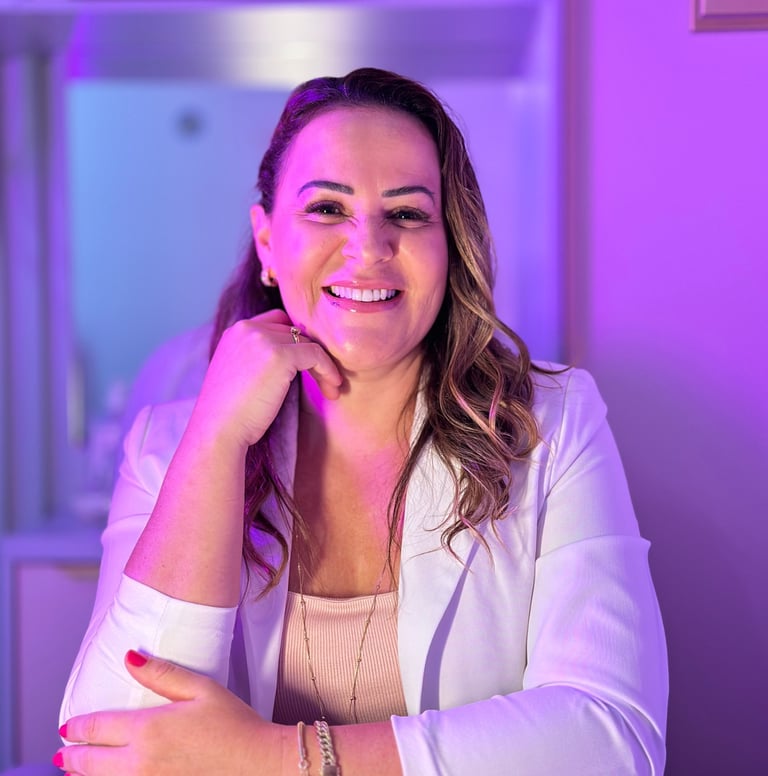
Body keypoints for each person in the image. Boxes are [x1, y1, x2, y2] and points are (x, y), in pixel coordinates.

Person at [55, 67, 668, 775]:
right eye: (327, 208)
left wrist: (279, 758)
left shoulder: (552, 423)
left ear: (450, 244)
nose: (368, 247)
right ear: (267, 243)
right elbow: (107, 743)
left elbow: (614, 738)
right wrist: (217, 440)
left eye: (407, 214)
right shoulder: (169, 446)